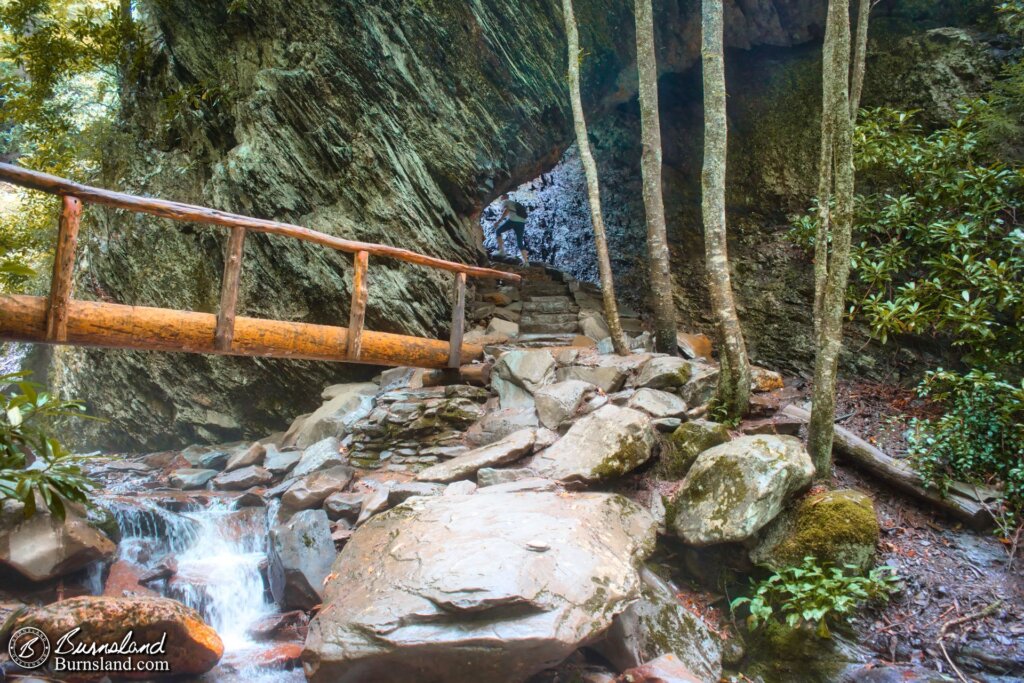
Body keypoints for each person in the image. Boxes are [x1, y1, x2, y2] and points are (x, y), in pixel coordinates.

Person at [494, 193, 530, 265]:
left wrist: (499, 221)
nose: (500, 198)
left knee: (498, 231)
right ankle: (526, 262)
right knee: (520, 242)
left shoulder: (505, 201)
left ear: (503, 197)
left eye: (501, 197)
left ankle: (502, 251)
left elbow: (506, 211)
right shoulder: (514, 203)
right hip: (521, 223)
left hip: (513, 220)